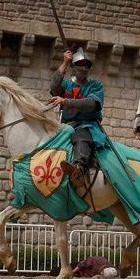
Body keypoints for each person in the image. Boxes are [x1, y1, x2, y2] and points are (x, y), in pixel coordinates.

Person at [49, 47, 104, 184]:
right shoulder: (66, 84)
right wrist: (65, 63)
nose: (84, 67)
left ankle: (79, 170)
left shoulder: (95, 85)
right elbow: (54, 87)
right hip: (65, 125)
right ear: (73, 67)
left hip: (86, 124)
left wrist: (66, 101)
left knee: (81, 136)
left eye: (87, 65)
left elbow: (91, 104)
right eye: (80, 64)